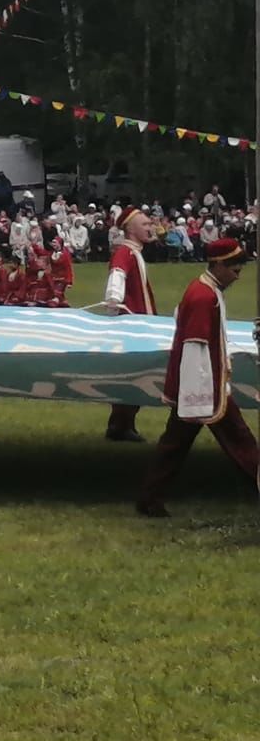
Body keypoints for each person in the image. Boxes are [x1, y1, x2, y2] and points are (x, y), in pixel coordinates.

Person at [136, 238, 260, 517]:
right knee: (241, 441)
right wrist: (199, 396)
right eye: (235, 271)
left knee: (175, 446)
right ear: (217, 264)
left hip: (202, 386)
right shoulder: (203, 297)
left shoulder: (204, 289)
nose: (238, 277)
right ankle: (149, 498)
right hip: (203, 388)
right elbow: (194, 345)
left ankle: (149, 498)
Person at [102, 207, 156, 443]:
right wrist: (115, 306)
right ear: (131, 229)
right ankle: (121, 424)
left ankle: (122, 424)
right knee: (132, 375)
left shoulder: (134, 252)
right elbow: (117, 276)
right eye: (145, 225)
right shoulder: (126, 252)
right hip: (132, 322)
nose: (149, 228)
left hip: (138, 320)